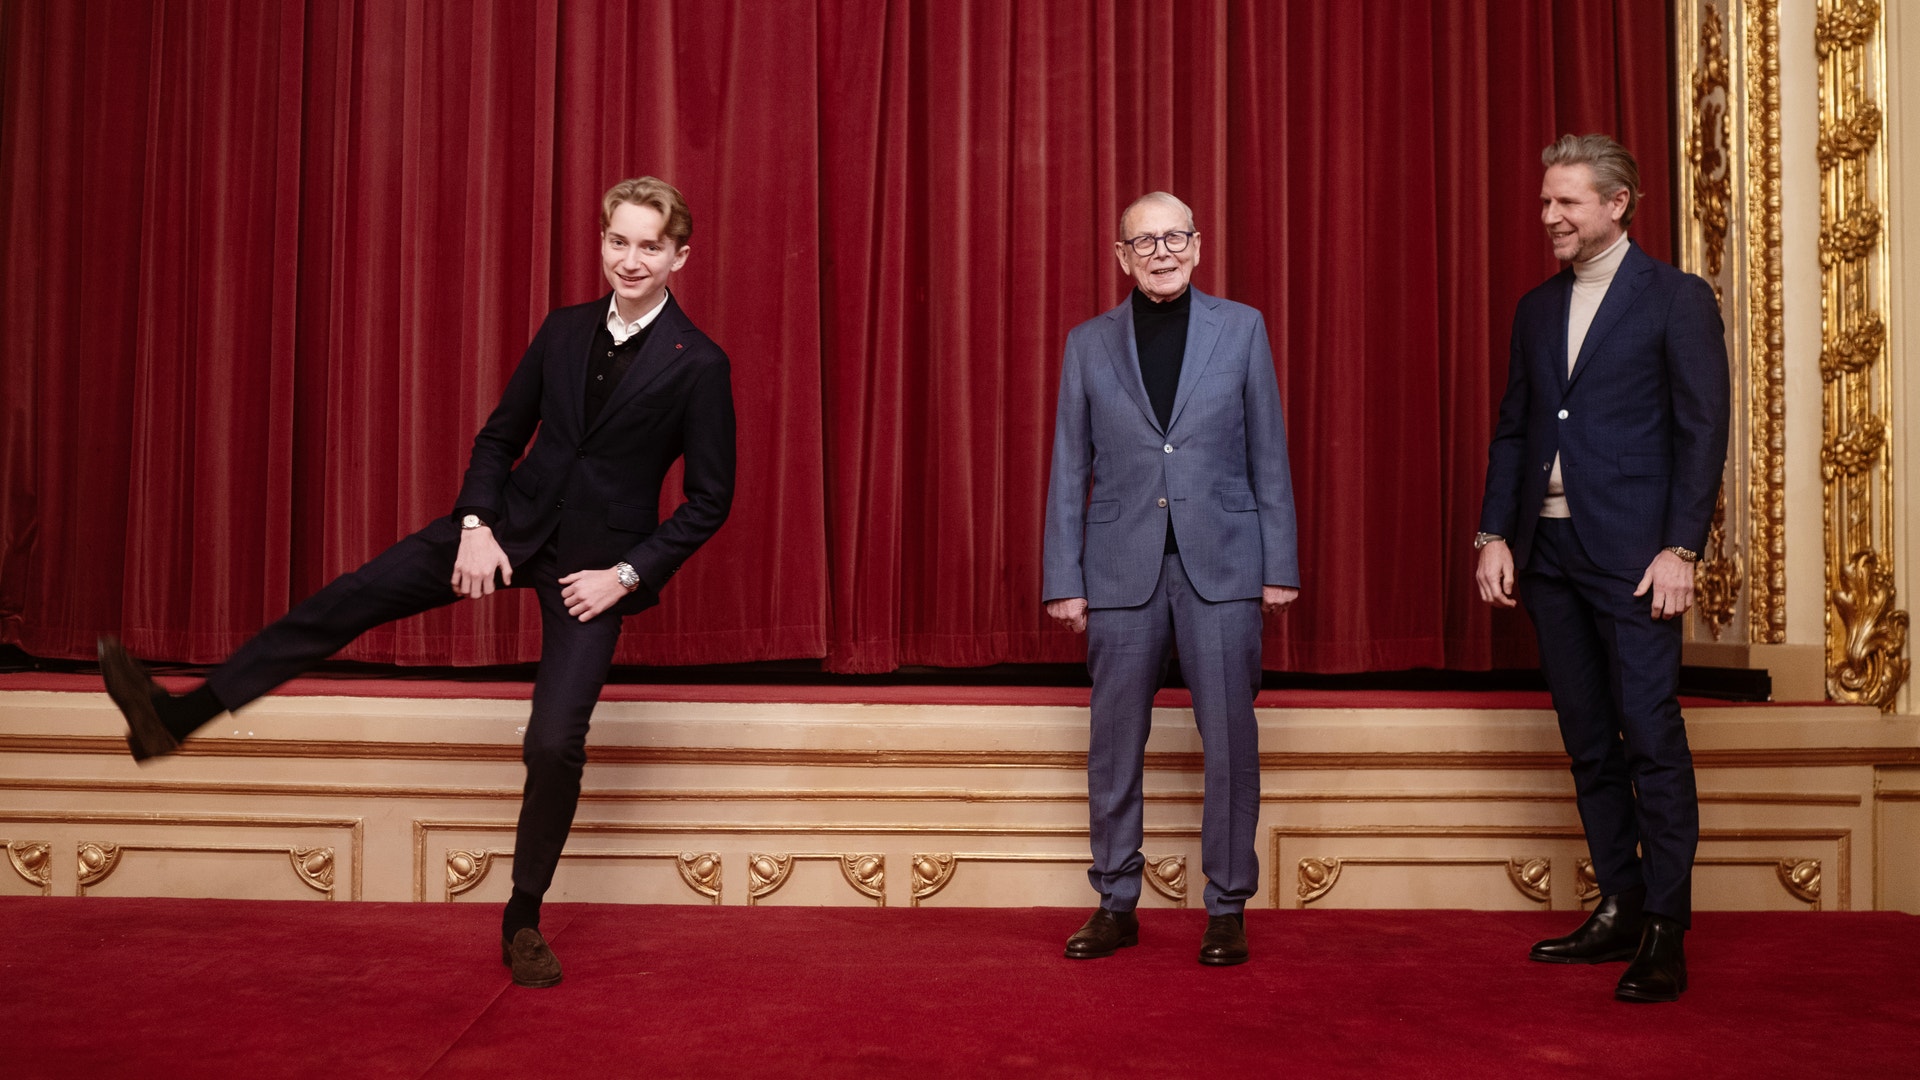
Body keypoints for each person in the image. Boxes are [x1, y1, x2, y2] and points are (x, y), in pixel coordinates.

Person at [98, 177, 736, 989]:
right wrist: (475, 523)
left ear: (680, 256)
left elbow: (711, 499)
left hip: (592, 569)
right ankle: (178, 717)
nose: (631, 259)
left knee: (553, 743)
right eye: (619, 241)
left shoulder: (699, 364)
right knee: (355, 594)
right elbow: (501, 437)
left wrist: (624, 575)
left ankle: (522, 918)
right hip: (508, 524)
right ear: (602, 241)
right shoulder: (563, 328)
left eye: (650, 246)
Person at [1475, 135, 1729, 1003]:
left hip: (1636, 560)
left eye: (1567, 202)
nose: (1549, 216)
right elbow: (1516, 429)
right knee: (1588, 740)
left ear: (1617, 204)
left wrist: (1681, 549)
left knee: (1651, 735)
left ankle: (1665, 926)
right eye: (1545, 201)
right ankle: (1618, 904)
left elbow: (1703, 431)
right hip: (1548, 556)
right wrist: (1494, 535)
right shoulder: (1536, 309)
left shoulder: (1677, 299)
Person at [1042, 191, 1299, 966]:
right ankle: (1115, 902)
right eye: (1145, 241)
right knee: (1114, 746)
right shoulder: (1088, 343)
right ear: (1122, 256)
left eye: (1174, 237)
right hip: (1119, 569)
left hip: (1224, 564)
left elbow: (1268, 452)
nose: (1162, 252)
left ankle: (1227, 908)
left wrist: (1278, 566)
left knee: (1231, 744)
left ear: (1197, 245)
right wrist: (1064, 578)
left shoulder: (1242, 329)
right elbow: (1068, 467)